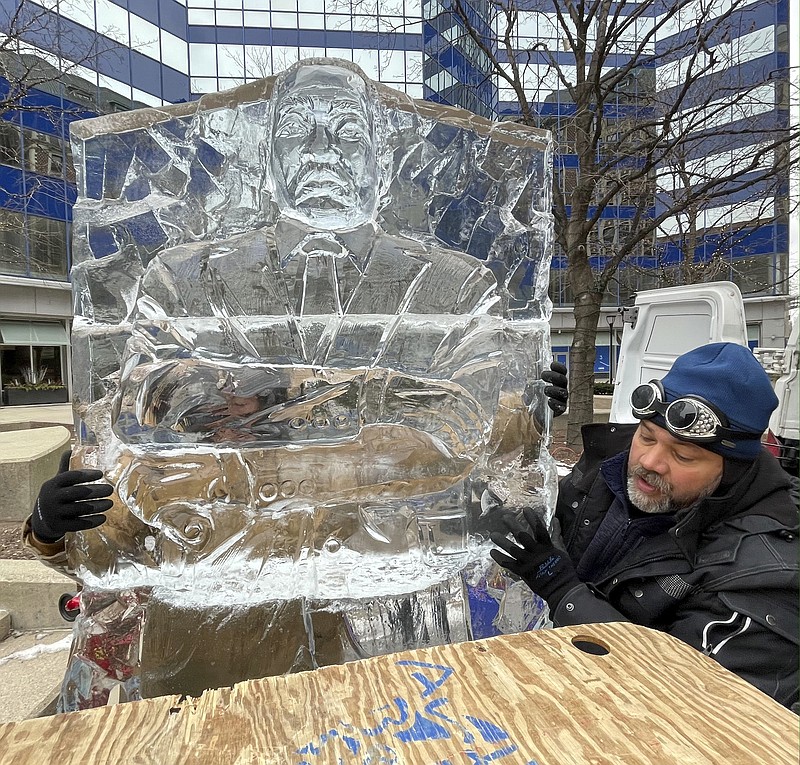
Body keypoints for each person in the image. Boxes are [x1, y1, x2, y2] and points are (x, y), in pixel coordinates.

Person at [490, 342, 798, 709]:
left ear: (733, 469)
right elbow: (522, 511)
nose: (649, 462)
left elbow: (696, 705)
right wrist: (524, 428)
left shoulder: (767, 574)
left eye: (683, 455)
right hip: (551, 685)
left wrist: (563, 592)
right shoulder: (612, 472)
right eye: (647, 436)